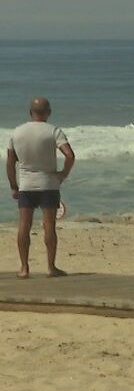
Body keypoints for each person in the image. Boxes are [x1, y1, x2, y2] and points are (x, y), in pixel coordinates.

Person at [6, 97, 75, 279]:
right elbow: (70, 155)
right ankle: (51, 267)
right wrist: (63, 174)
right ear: (49, 112)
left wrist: (14, 186)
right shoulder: (53, 131)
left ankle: (24, 268)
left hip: (26, 185)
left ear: (30, 112)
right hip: (48, 185)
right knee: (49, 226)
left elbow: (10, 162)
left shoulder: (17, 132)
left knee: (24, 225)